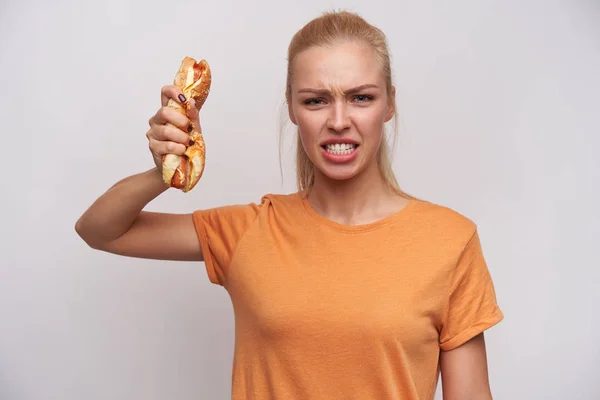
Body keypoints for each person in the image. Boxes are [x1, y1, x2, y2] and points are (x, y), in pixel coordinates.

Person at [75, 10, 503, 400]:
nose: (338, 120)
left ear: (390, 103)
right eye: (316, 100)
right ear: (293, 109)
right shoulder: (249, 230)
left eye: (361, 97)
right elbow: (100, 230)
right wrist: (166, 168)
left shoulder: (450, 240)